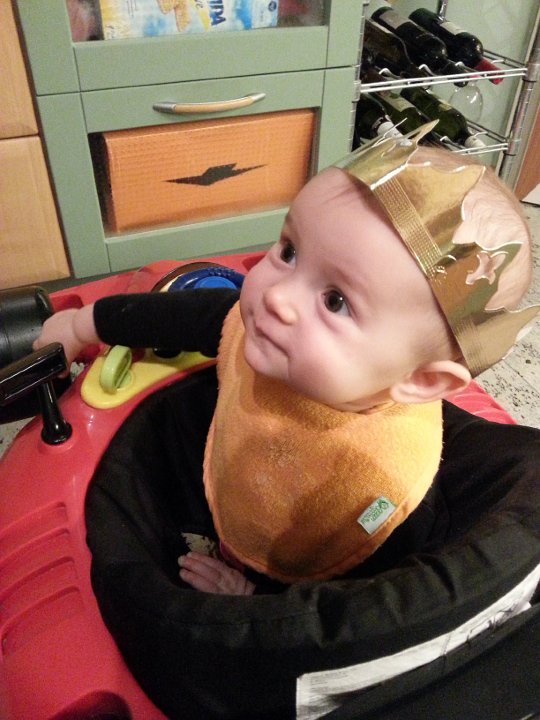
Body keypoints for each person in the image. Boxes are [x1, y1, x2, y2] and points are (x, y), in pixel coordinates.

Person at [35, 123, 538, 595]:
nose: (277, 297)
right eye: (290, 251)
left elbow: (360, 610)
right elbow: (187, 316)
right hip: (234, 501)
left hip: (293, 577)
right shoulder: (267, 328)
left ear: (420, 380)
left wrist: (254, 600)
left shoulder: (384, 485)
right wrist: (82, 325)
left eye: (335, 301)